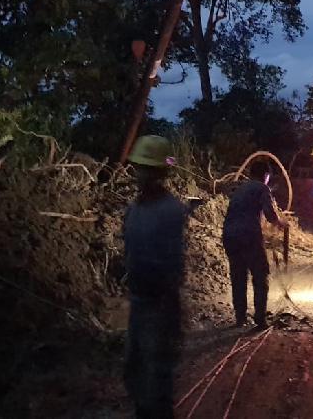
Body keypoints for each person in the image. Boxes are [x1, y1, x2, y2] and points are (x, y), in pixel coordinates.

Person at [122, 135, 188, 418]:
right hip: (139, 302)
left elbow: (174, 266)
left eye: (145, 168)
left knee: (156, 378)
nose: (139, 174)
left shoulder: (171, 210)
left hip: (159, 303)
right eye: (139, 168)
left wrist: (172, 311)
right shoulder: (134, 210)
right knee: (136, 373)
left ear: (159, 173)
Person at [222, 160, 288, 328]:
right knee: (260, 275)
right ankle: (260, 319)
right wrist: (281, 223)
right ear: (265, 175)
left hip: (229, 235)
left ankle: (240, 318)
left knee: (238, 276)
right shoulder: (261, 188)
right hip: (248, 236)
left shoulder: (240, 188)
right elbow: (270, 214)